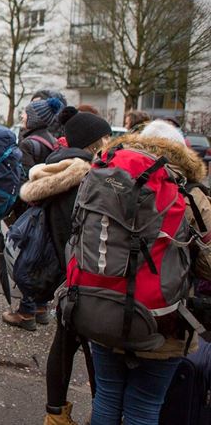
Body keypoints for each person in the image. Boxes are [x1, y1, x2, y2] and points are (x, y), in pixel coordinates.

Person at [84, 119, 211, 424]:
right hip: (161, 320)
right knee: (144, 405)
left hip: (101, 307)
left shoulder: (105, 175)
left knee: (107, 394)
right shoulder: (191, 194)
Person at [16, 109, 112, 425]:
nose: (110, 142)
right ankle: (104, 414)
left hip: (57, 272)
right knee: (97, 354)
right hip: (80, 274)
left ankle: (55, 415)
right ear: (94, 142)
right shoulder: (88, 177)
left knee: (63, 346)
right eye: (106, 137)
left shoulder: (56, 168)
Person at [3, 96, 65, 331]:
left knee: (25, 260)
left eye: (26, 113)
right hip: (49, 208)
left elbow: (23, 180)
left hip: (30, 209)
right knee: (43, 258)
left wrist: (14, 209)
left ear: (36, 117)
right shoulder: (53, 141)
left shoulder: (28, 144)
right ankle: (40, 307)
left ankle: (26, 311)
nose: (22, 117)